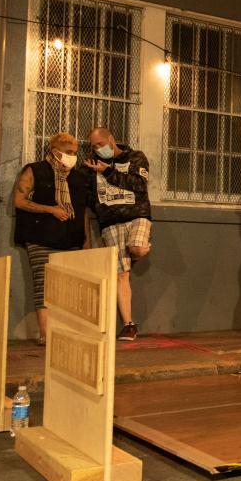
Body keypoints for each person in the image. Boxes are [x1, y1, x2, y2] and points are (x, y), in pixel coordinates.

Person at [12, 133, 93, 344]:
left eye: (75, 153)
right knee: (44, 285)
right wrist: (51, 210)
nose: (72, 157)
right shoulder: (35, 170)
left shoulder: (78, 178)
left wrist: (86, 241)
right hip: (40, 237)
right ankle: (46, 334)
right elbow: (19, 201)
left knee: (72, 286)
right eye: (68, 153)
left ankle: (67, 331)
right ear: (55, 151)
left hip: (71, 238)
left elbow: (82, 210)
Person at [84, 127, 152, 342]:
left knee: (137, 248)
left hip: (136, 215)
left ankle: (141, 250)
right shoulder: (89, 165)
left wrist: (107, 171)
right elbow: (86, 195)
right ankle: (129, 325)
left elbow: (139, 185)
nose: (97, 149)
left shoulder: (135, 157)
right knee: (120, 275)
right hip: (110, 222)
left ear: (111, 140)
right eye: (93, 146)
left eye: (100, 144)